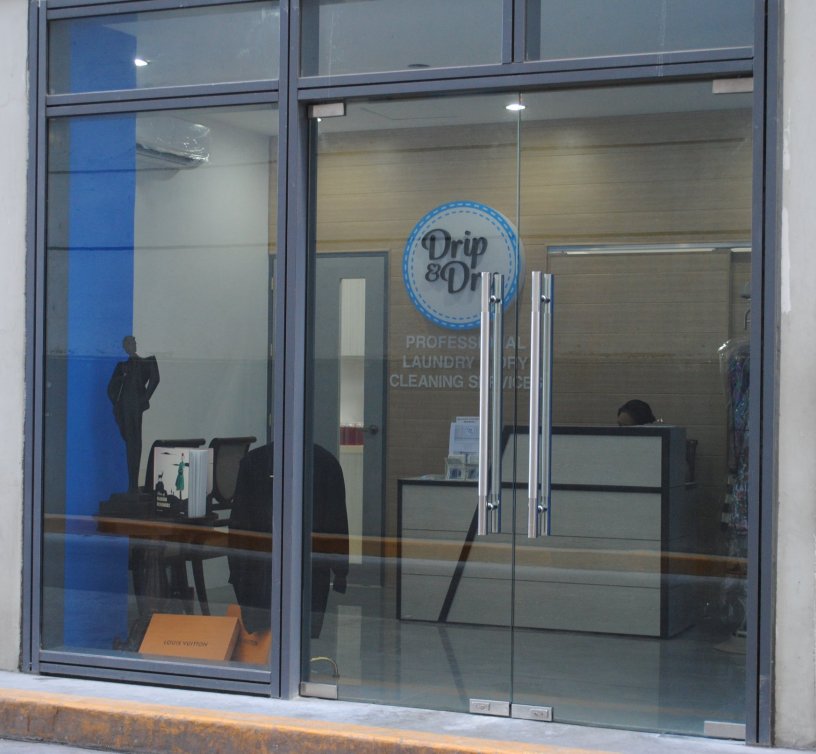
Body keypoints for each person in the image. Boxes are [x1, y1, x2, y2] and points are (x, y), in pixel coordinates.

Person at [106, 336, 160, 491]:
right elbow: (111, 389)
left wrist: (144, 399)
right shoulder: (122, 366)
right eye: (128, 343)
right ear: (125, 347)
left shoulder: (145, 362)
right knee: (131, 441)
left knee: (135, 442)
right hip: (125, 406)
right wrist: (121, 380)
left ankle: (133, 486)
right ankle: (132, 486)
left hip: (135, 406)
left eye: (133, 342)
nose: (132, 345)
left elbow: (155, 378)